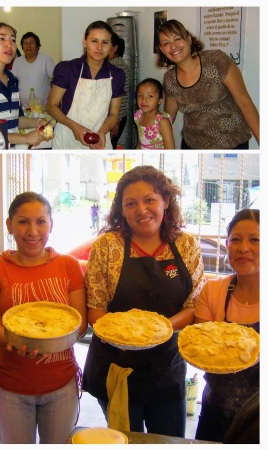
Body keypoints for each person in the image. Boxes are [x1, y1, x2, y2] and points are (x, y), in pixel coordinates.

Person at [83, 165, 205, 437]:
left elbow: (194, 305)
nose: (141, 210)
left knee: (169, 439)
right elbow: (95, 307)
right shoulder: (107, 246)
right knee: (125, 439)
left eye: (149, 199)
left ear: (166, 201)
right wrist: (127, 337)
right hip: (117, 366)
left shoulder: (186, 245)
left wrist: (157, 332)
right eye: (130, 203)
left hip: (167, 366)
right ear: (121, 209)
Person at [0, 191, 87, 444]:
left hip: (61, 384)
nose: (32, 231)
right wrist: (18, 342)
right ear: (10, 225)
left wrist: (50, 342)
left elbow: (79, 326)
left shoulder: (69, 266)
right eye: (23, 221)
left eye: (40, 221)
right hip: (10, 387)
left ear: (51, 224)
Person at [193, 209, 259, 442]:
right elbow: (199, 348)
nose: (243, 248)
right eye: (235, 240)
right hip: (215, 411)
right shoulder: (213, 292)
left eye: (255, 240)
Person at [157, 19, 259, 149]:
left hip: (231, 143)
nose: (173, 47)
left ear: (188, 39)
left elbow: (245, 103)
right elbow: (169, 116)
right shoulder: (170, 78)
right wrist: (152, 129)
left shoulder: (217, 61)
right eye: (166, 43)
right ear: (162, 49)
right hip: (193, 146)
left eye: (177, 39)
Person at [46, 20, 125, 149]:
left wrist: (102, 132)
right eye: (94, 41)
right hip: (67, 137)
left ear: (111, 45)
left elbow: (114, 114)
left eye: (105, 42)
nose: (99, 47)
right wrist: (74, 126)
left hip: (99, 140)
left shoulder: (117, 74)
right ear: (85, 41)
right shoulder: (68, 69)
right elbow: (51, 106)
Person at [0, 23, 49, 148]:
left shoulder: (12, 79)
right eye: (2, 38)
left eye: (13, 40)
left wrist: (38, 122)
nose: (9, 44)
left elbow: (16, 119)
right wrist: (25, 137)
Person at [11, 32, 55, 108]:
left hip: (42, 107)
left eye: (31, 43)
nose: (28, 46)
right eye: (25, 43)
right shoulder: (17, 61)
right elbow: (13, 82)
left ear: (37, 45)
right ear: (22, 46)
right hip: (23, 107)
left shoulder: (45, 59)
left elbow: (55, 80)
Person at [134, 78, 175, 149]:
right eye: (140, 95)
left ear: (160, 100)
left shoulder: (162, 122)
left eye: (150, 96)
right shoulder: (138, 116)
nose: (144, 100)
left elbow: (170, 150)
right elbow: (139, 144)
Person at [108, 33, 131, 149]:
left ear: (115, 47)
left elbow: (120, 96)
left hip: (115, 117)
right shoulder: (110, 64)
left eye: (106, 44)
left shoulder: (117, 67)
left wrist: (115, 121)